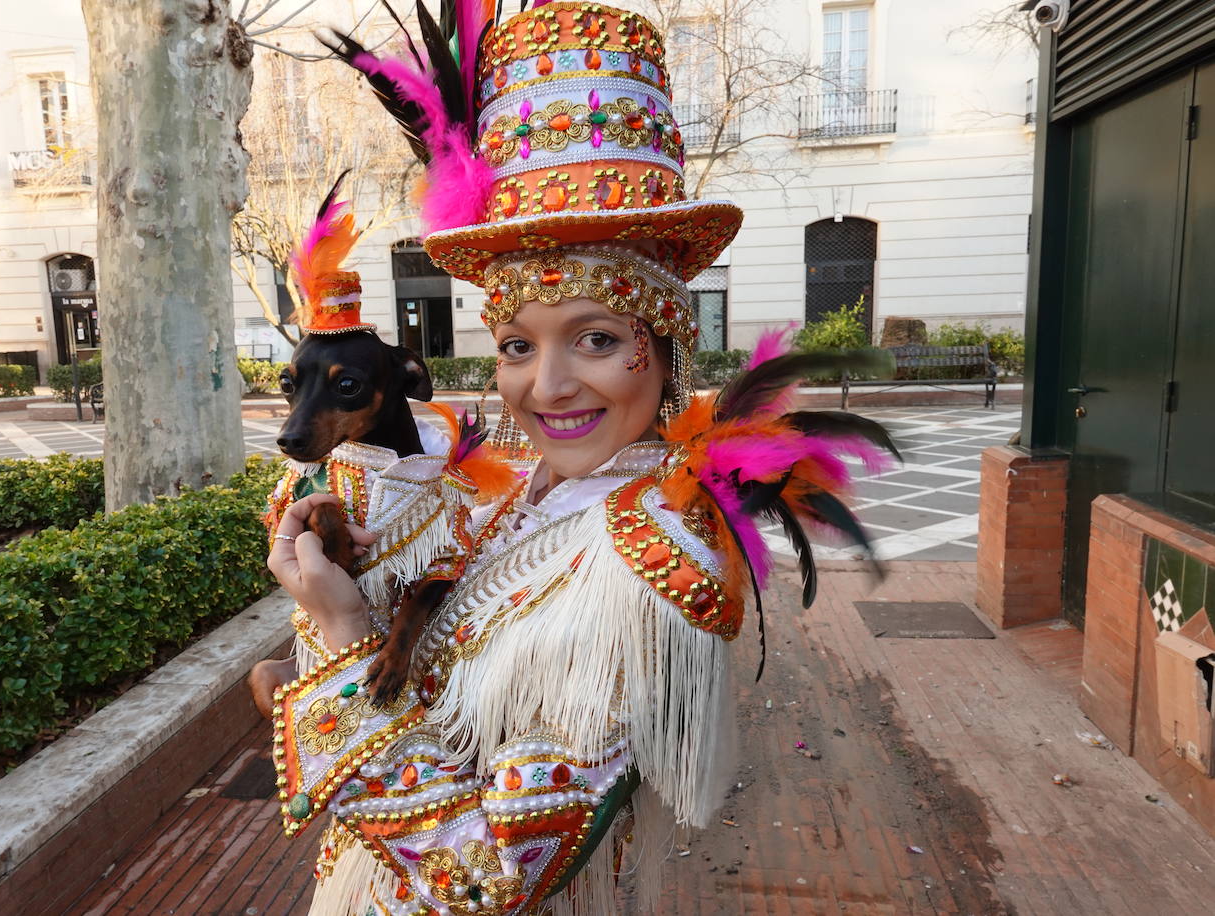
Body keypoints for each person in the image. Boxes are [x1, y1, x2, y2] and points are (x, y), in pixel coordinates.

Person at [266, 4, 896, 913]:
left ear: (665, 341)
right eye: (518, 346)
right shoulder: (520, 499)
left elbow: (486, 877)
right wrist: (336, 573)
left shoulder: (650, 564)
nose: (548, 386)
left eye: (595, 339)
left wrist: (344, 637)